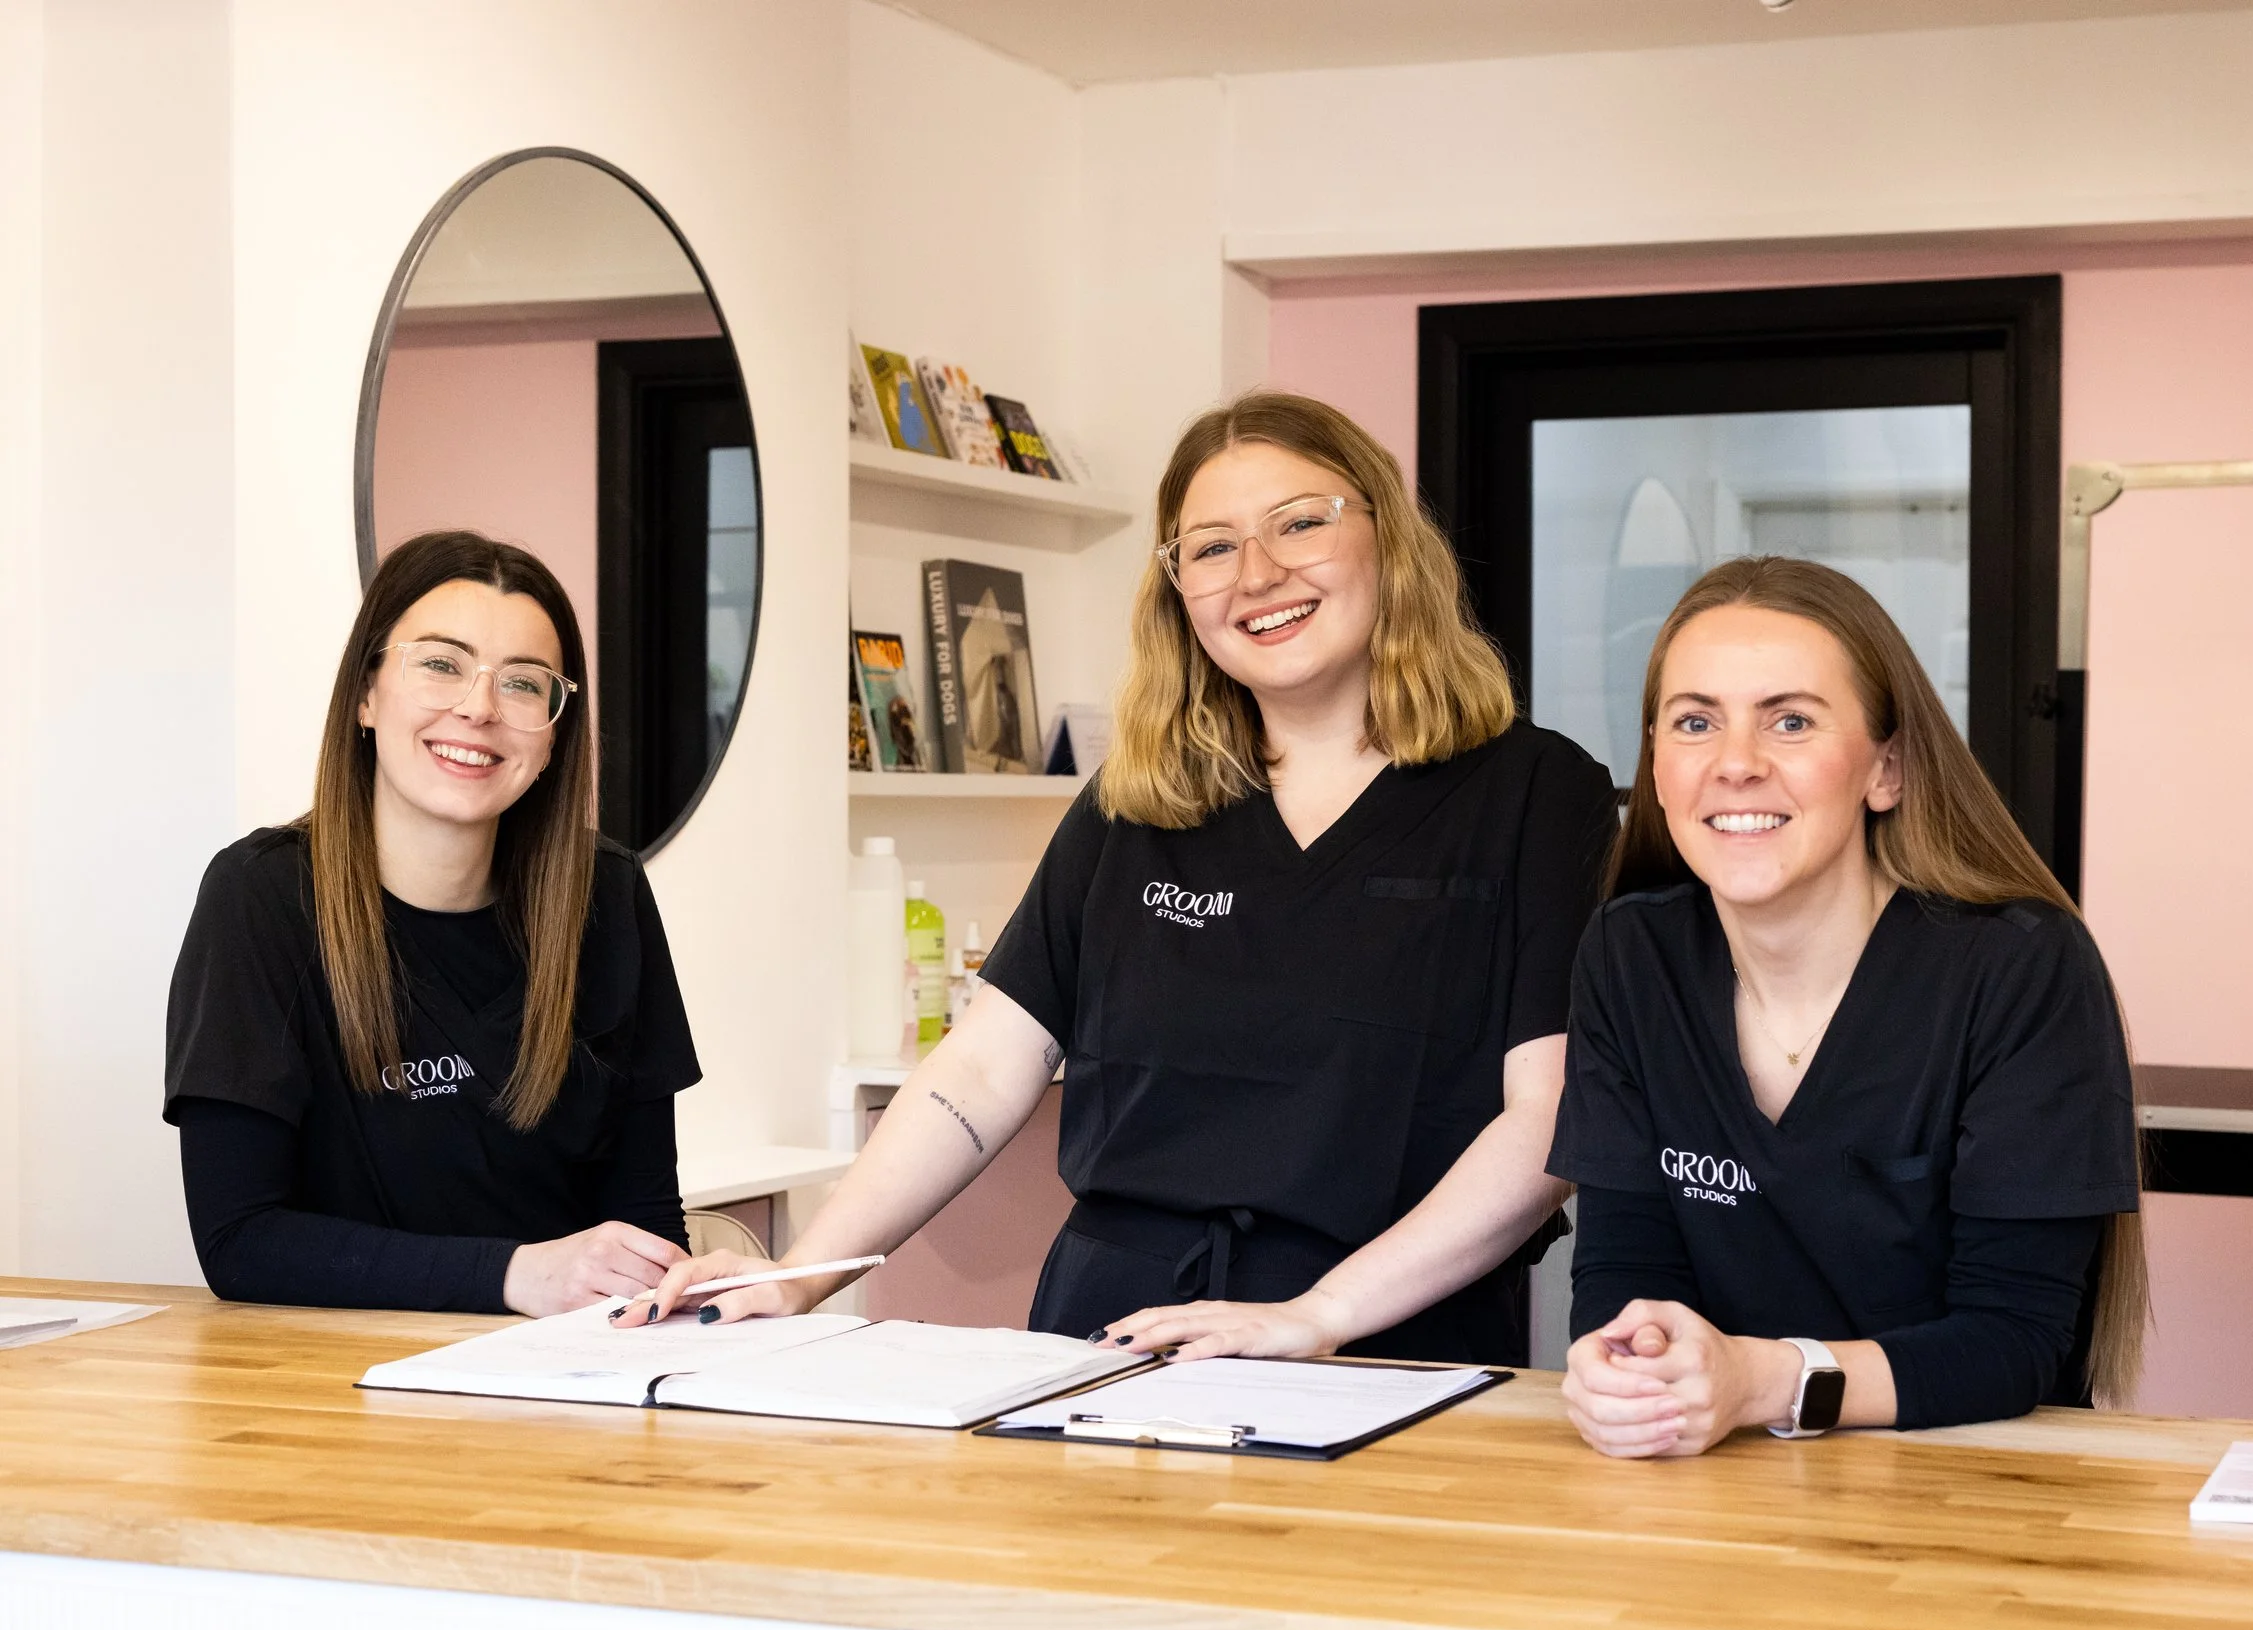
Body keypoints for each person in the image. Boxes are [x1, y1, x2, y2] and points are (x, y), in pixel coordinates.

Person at [629, 392, 1619, 1365]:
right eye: (1212, 546)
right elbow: (981, 1070)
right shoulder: (1138, 801)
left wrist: (1317, 1315)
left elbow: (1545, 1118)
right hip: (1112, 1334)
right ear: (1176, 587)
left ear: (1387, 536)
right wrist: (803, 1272)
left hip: (1388, 1338)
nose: (1258, 573)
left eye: (1299, 523)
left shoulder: (1533, 795)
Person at [1549, 556, 2146, 1457]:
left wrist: (1762, 1381)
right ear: (1659, 767)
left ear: (1886, 770)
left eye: (1790, 721)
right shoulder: (1631, 956)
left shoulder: (2019, 969)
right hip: (1711, 1479)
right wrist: (1627, 1369)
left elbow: (2014, 1340)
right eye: (1696, 722)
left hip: (1974, 1489)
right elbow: (1624, 1270)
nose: (1736, 765)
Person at [165, 531, 700, 1314]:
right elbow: (240, 1242)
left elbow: (647, 1220)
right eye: (442, 664)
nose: (479, 708)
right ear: (367, 693)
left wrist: (666, 1285)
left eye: (523, 684)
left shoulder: (606, 898)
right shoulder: (260, 898)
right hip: (327, 1394)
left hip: (568, 1387)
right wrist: (517, 1275)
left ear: (553, 735)